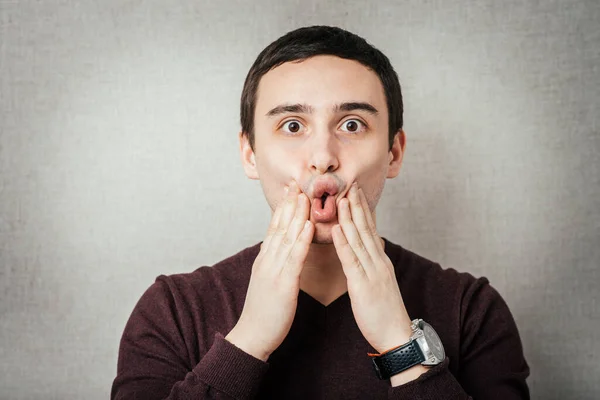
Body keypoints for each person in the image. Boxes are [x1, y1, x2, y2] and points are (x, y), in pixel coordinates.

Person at [111, 25, 530, 399]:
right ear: (249, 154)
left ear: (394, 153)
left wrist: (398, 343)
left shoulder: (471, 309)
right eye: (292, 125)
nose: (323, 157)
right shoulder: (173, 311)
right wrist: (250, 339)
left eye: (352, 124)